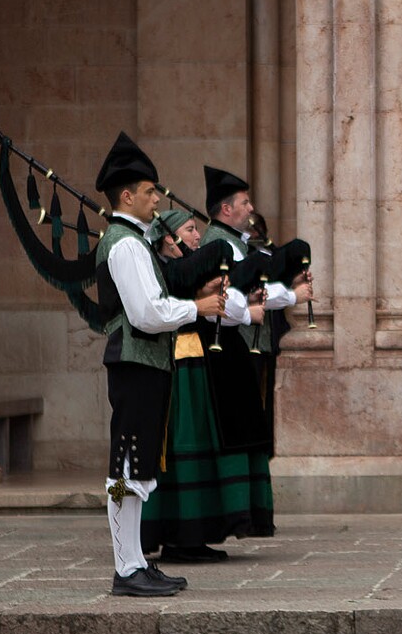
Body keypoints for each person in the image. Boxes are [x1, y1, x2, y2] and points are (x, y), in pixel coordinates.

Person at [92, 133, 226, 598]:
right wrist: (199, 308)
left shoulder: (136, 241)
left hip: (145, 362)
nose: (157, 198)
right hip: (134, 362)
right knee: (126, 466)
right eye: (150, 191)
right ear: (127, 196)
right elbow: (148, 312)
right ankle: (126, 568)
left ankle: (134, 562)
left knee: (137, 466)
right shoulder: (125, 244)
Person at [197, 165, 309, 551]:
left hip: (239, 349)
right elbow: (233, 298)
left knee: (246, 431)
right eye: (245, 202)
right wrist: (285, 298)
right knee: (233, 435)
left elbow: (255, 289)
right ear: (226, 209)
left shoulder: (235, 242)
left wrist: (290, 295)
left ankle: (242, 516)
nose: (251, 208)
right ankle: (232, 516)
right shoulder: (221, 245)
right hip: (225, 351)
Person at [140, 206, 258, 563]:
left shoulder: (187, 269)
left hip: (196, 364)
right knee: (183, 444)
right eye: (189, 230)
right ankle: (180, 536)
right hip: (178, 367)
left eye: (195, 229)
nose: (196, 236)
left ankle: (197, 532)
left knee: (202, 445)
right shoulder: (159, 268)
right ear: (167, 238)